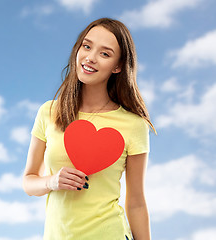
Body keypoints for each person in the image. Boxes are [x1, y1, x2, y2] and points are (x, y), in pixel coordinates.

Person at [23, 18, 155, 240]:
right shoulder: (49, 112)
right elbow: (29, 181)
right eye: (87, 46)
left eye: (105, 54)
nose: (90, 58)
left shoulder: (133, 125)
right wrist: (52, 181)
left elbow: (136, 203)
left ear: (118, 66)